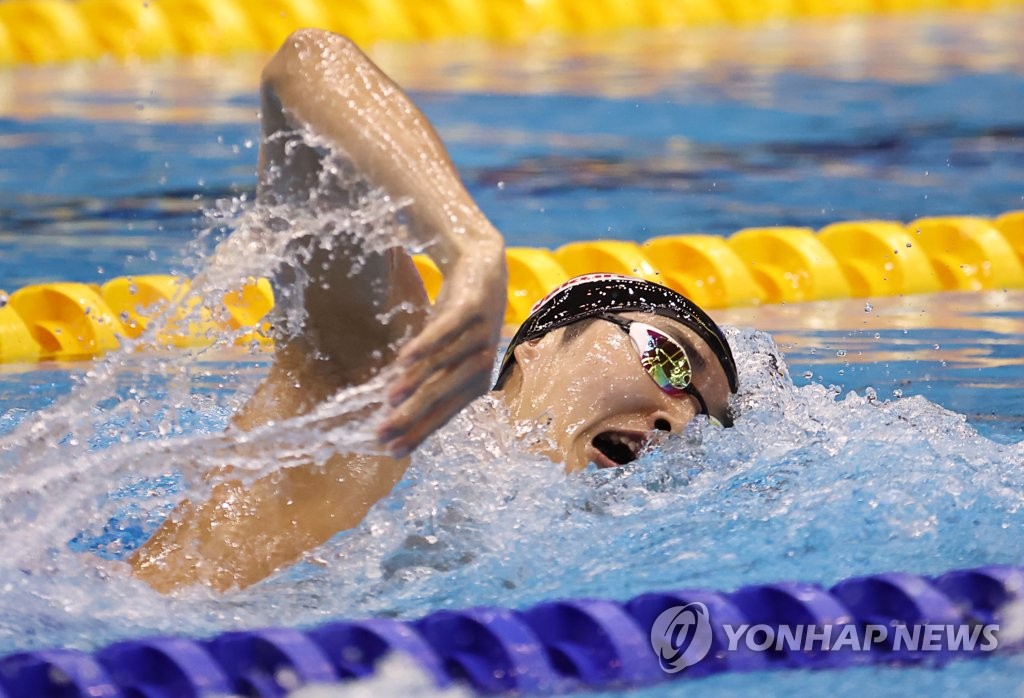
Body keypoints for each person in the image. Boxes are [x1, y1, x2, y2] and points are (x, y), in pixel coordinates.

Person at [129, 29, 738, 593]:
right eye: (668, 360)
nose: (678, 421)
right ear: (541, 344)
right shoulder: (383, 400)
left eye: (704, 417)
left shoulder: (566, 565)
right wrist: (470, 246)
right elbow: (307, 66)